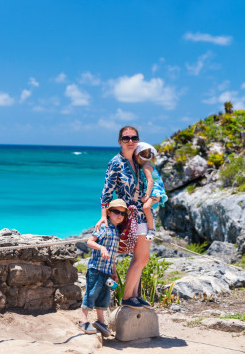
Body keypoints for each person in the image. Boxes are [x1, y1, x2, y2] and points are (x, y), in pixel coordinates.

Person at [97, 126, 151, 309]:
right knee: (139, 258)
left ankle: (135, 294)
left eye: (134, 138)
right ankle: (128, 297)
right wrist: (104, 216)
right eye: (126, 138)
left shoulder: (139, 161)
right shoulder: (115, 163)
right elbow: (107, 191)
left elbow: (151, 183)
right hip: (127, 216)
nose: (130, 142)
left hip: (143, 214)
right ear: (119, 141)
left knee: (143, 258)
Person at [79, 199, 126, 336]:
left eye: (122, 213)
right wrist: (101, 247)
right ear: (109, 213)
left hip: (106, 271)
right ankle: (83, 321)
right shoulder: (104, 227)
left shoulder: (116, 231)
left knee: (104, 297)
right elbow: (89, 242)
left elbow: (112, 256)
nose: (120, 215)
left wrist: (114, 271)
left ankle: (100, 321)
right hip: (96, 268)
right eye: (116, 212)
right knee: (91, 293)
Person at [135, 142, 167, 237]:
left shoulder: (145, 166)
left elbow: (150, 181)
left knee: (146, 207)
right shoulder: (146, 165)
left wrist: (147, 195)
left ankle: (151, 230)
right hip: (154, 190)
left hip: (154, 190)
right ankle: (150, 227)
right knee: (147, 208)